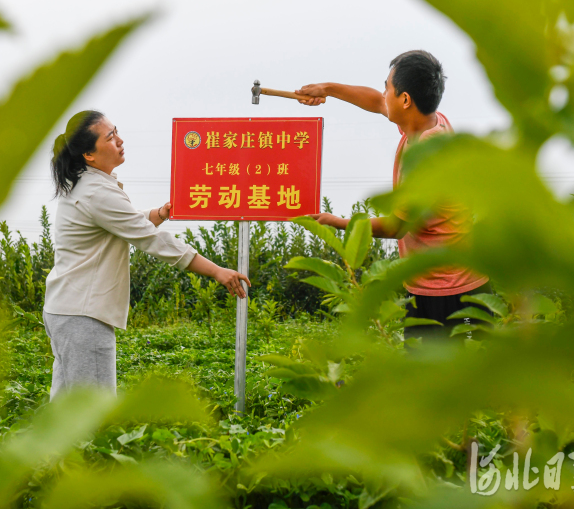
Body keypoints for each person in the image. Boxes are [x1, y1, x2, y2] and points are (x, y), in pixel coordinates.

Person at [43, 110, 250, 399]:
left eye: (117, 132)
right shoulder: (96, 192)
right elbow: (151, 240)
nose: (120, 140)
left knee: (67, 406)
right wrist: (216, 270)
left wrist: (157, 213)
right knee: (94, 410)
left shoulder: (87, 185)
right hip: (82, 316)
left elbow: (121, 222)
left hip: (68, 309)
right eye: (111, 137)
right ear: (89, 154)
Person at [296, 50, 490, 345]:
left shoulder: (426, 156)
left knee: (445, 381)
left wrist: (338, 222)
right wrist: (328, 90)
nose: (383, 94)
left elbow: (396, 226)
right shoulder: (425, 120)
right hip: (437, 285)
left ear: (405, 100)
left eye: (387, 86)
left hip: (452, 292)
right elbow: (375, 101)